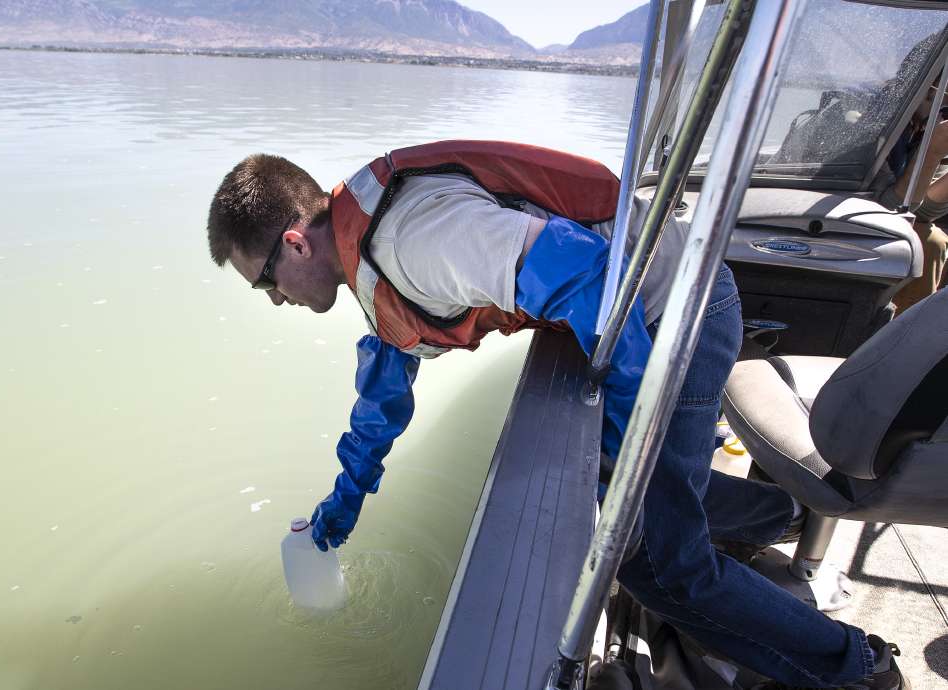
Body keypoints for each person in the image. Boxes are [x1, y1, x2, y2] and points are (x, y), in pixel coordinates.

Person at [205, 140, 906, 689]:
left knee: (662, 564)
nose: (274, 299)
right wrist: (334, 519)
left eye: (264, 281)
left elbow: (589, 278)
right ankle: (776, 515)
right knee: (639, 508)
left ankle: (856, 667)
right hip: (658, 311)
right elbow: (382, 402)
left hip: (676, 315)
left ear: (294, 242)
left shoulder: (416, 239)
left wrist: (625, 450)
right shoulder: (376, 256)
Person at [877, 83, 948, 313]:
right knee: (929, 242)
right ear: (930, 91)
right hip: (838, 228)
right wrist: (931, 153)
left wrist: (934, 151)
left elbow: (924, 211)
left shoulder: (923, 125)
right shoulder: (875, 123)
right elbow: (889, 210)